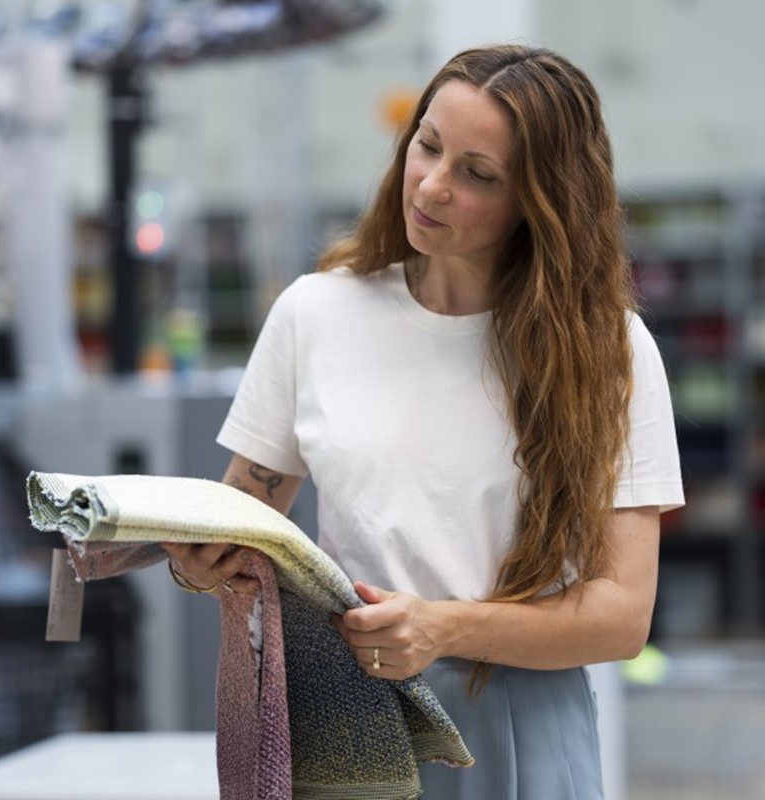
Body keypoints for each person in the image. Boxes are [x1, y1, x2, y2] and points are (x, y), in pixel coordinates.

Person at [163, 43, 684, 799]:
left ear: (540, 201)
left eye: (477, 174)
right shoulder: (316, 313)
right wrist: (196, 562)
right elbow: (244, 513)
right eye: (427, 146)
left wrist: (442, 627)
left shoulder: (609, 352)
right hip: (348, 721)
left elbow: (621, 618)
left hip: (518, 719)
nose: (432, 186)